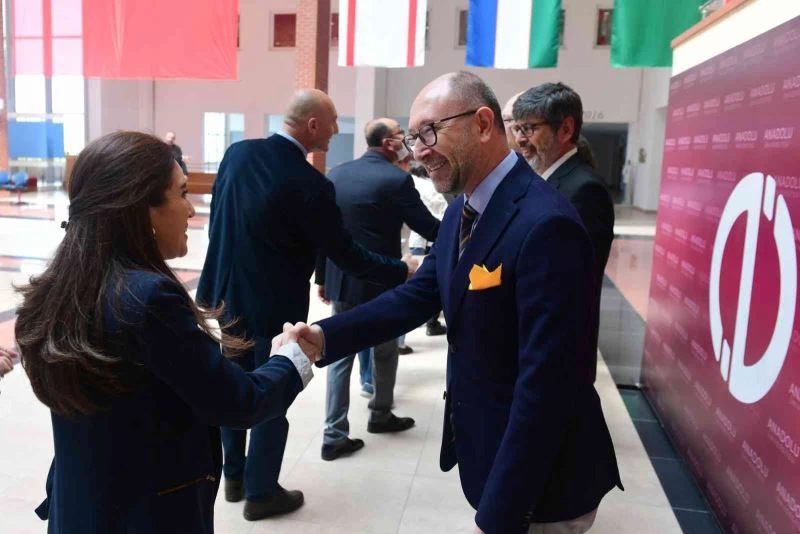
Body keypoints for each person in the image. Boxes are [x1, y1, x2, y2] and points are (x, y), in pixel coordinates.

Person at [284, 72, 623, 534]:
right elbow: (417, 296)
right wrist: (324, 336)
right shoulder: (464, 209)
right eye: (412, 138)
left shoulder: (547, 224)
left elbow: (546, 387)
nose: (418, 152)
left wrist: (501, 515)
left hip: (540, 488)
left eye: (429, 132)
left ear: (482, 124)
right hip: (492, 453)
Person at [14, 131, 316, 533]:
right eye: (182, 193)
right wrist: (291, 358)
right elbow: (239, 403)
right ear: (142, 209)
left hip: (80, 508)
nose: (191, 210)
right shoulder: (147, 299)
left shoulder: (58, 287)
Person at [196, 89, 418, 520]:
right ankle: (261, 493)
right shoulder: (311, 184)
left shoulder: (238, 154)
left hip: (225, 297)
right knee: (271, 391)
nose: (335, 130)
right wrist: (400, 271)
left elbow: (219, 221)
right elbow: (346, 255)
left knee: (231, 384)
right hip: (274, 309)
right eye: (332, 122)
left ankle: (235, 478)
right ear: (313, 124)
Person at [317, 118, 440, 461]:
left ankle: (333, 433)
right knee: (385, 352)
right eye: (402, 136)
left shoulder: (337, 174)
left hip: (343, 280)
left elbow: (323, 233)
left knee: (339, 355)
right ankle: (380, 413)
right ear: (388, 143)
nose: (407, 142)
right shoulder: (396, 179)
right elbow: (427, 226)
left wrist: (322, 278)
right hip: (383, 280)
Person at [512, 83, 615, 355]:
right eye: (517, 128)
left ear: (566, 129)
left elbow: (571, 286)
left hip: (556, 345)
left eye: (529, 129)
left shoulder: (584, 190)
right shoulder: (539, 179)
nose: (520, 139)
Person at [407, 163, 448, 336]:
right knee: (432, 282)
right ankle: (431, 323)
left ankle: (421, 319)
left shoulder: (414, 184)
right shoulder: (429, 187)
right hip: (430, 237)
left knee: (417, 281)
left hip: (418, 240)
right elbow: (441, 210)